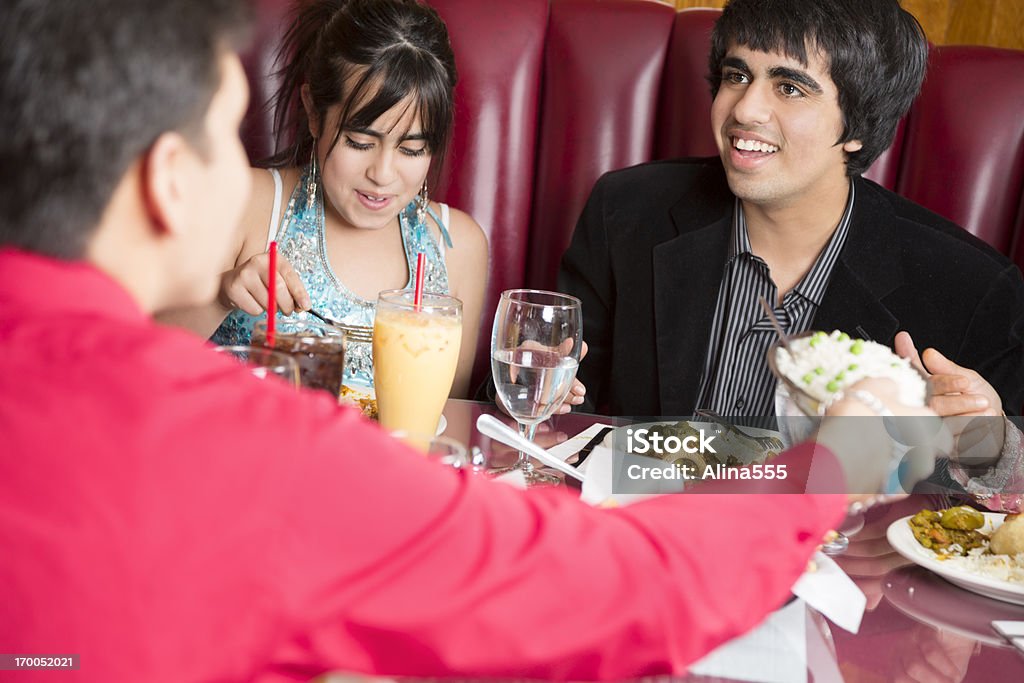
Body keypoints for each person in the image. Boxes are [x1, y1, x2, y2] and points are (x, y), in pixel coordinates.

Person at [0, 1, 937, 679]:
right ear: (170, 180)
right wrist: (828, 464)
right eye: (219, 133)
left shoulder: (446, 248)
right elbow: (611, 589)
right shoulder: (254, 445)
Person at [559, 0, 1024, 420]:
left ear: (859, 127)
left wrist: (994, 452)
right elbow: (545, 400)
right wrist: (539, 392)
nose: (745, 110)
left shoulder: (971, 288)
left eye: (789, 88)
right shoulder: (628, 211)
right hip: (643, 505)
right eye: (737, 76)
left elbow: (999, 474)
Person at [160, 0, 488, 398]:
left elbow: (447, 416)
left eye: (412, 149)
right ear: (314, 112)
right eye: (359, 141)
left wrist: (518, 395)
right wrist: (221, 295)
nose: (382, 174)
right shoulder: (248, 204)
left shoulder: (457, 247)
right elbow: (137, 351)